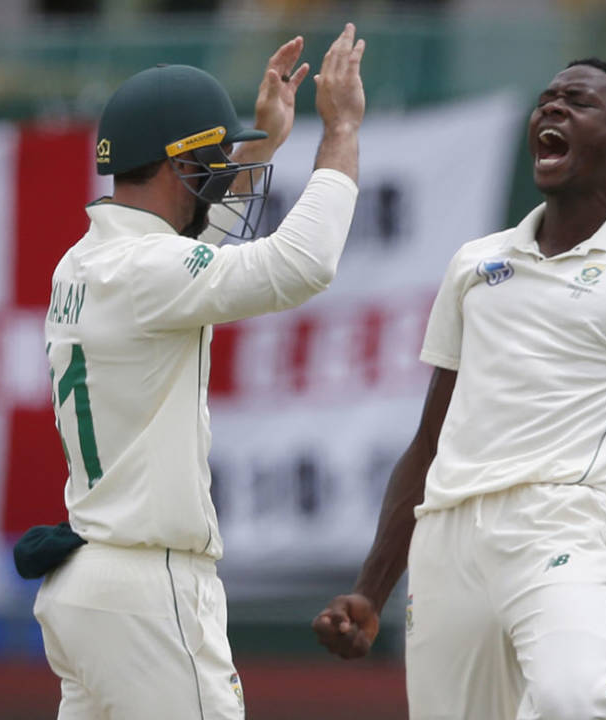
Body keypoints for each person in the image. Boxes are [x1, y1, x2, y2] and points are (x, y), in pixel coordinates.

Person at [312, 58, 606, 720]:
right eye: (546, 100)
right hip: (447, 543)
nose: (552, 110)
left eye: (578, 103)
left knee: (569, 703)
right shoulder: (476, 262)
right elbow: (429, 441)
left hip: (560, 524)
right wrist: (370, 589)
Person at [19, 24, 366, 719]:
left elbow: (195, 249)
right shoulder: (146, 269)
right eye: (210, 159)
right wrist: (341, 131)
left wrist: (263, 141)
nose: (218, 172)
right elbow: (302, 264)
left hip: (91, 587)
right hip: (148, 587)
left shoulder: (86, 260)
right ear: (180, 165)